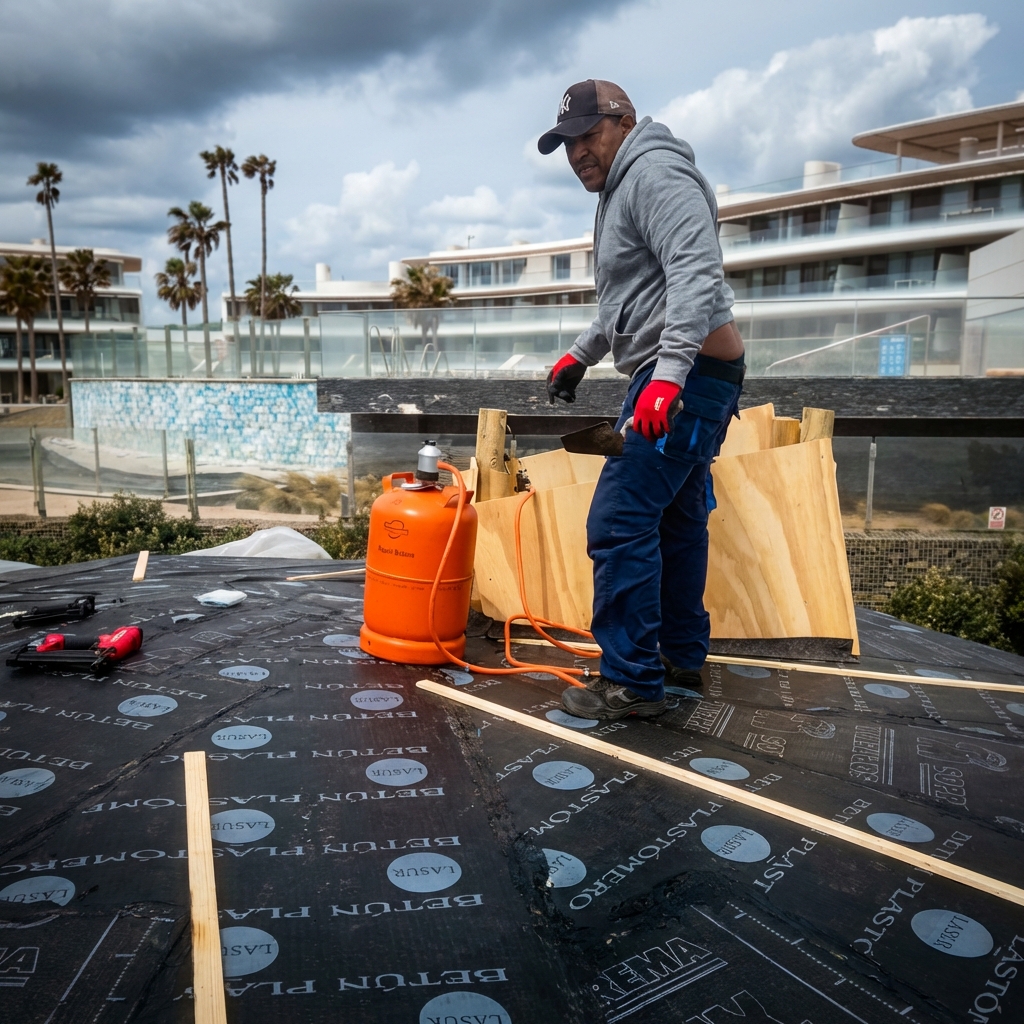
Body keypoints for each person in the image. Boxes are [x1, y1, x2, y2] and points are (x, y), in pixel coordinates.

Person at [539, 79, 745, 721]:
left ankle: (631, 683)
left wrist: (667, 377)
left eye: (586, 135)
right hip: (693, 372)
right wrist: (581, 353)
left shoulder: (653, 174)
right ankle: (681, 661)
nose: (576, 153)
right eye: (566, 144)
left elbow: (695, 272)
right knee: (679, 523)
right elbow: (631, 300)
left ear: (623, 121)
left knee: (620, 520)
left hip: (685, 374)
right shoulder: (622, 186)